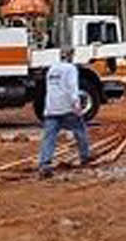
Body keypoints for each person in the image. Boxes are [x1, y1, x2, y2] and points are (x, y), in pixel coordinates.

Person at [36, 47, 93, 179]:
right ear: (71, 56)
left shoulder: (52, 69)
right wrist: (76, 104)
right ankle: (85, 157)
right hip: (66, 107)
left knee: (49, 137)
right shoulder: (71, 69)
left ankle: (45, 163)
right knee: (80, 131)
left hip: (51, 108)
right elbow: (72, 87)